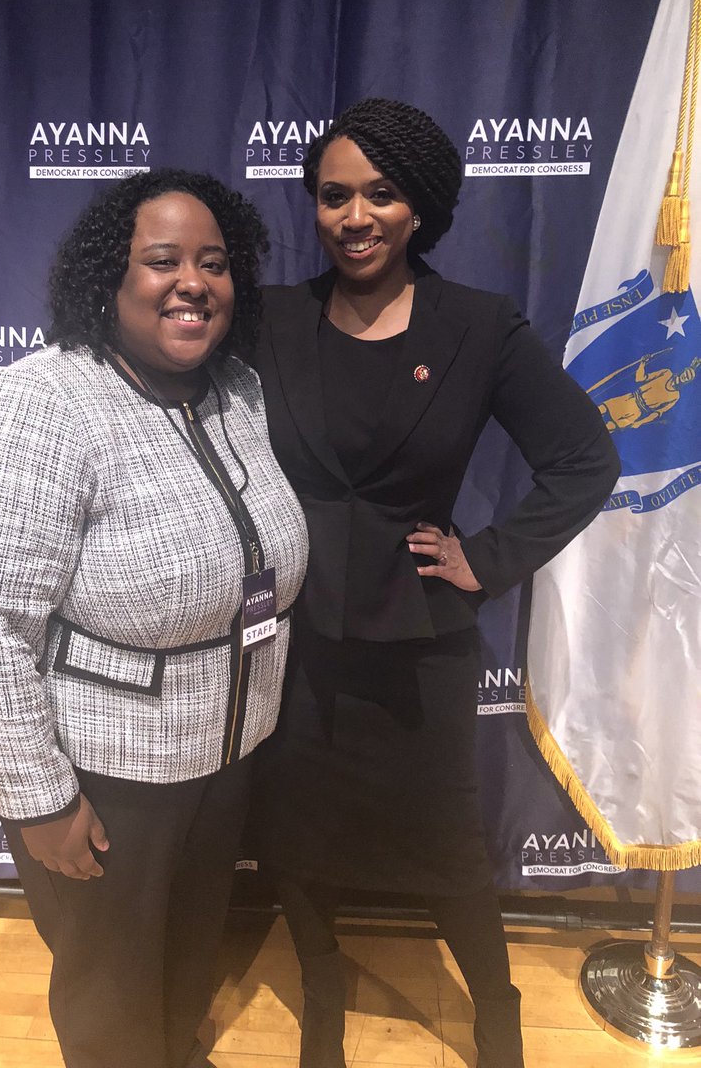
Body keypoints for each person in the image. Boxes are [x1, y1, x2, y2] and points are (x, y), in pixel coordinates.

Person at [252, 99, 620, 1068]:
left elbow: (585, 459)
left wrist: (488, 558)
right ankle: (322, 1003)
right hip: (292, 646)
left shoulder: (477, 327)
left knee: (446, 849)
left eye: (382, 194)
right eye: (334, 197)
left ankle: (495, 1016)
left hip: (420, 641)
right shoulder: (273, 321)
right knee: (295, 841)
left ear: (421, 208)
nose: (355, 216)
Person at [0, 169, 309, 1068]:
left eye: (213, 264)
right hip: (105, 781)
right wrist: (39, 798)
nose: (193, 282)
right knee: (110, 992)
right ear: (110, 276)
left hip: (223, 756)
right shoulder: (39, 405)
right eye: (163, 260)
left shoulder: (238, 392)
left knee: (183, 961)